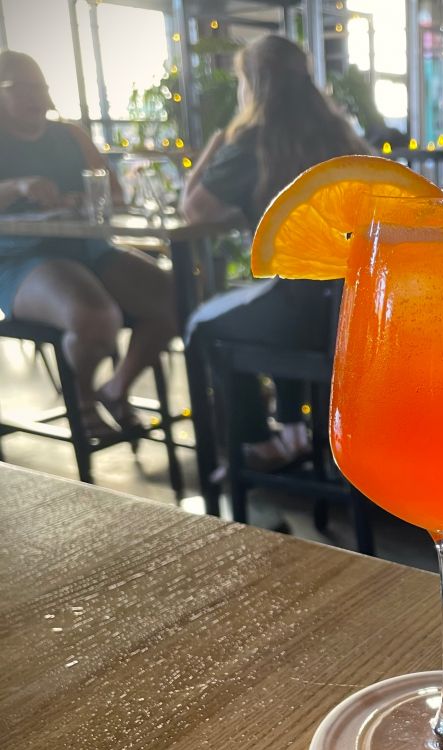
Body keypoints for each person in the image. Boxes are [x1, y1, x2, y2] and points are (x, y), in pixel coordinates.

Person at [183, 35, 370, 473]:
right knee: (269, 301)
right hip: (350, 311)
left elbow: (194, 209)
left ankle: (259, 442)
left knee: (203, 326)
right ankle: (294, 429)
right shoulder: (338, 130)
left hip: (299, 310)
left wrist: (215, 142)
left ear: (252, 84)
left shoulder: (253, 139)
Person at [0, 51, 175, 437]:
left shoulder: (70, 134)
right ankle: (80, 400)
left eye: (40, 86)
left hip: (89, 248)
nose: (36, 96)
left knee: (175, 297)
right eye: (21, 88)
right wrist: (16, 187)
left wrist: (79, 199)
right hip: (19, 259)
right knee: (94, 317)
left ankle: (116, 388)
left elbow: (112, 193)